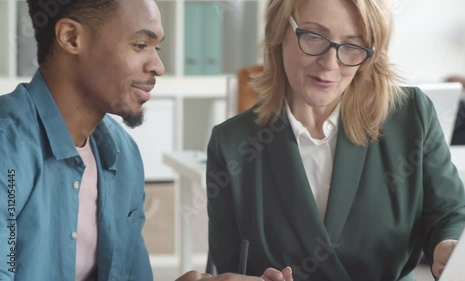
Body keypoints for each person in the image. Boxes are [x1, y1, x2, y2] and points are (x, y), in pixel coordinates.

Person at [0, 0, 291, 280]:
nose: (158, 67)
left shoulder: (122, 155)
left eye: (157, 47)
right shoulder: (8, 150)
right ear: (72, 37)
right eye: (140, 45)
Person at [206, 0, 465, 280]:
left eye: (352, 45)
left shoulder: (411, 116)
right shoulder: (231, 144)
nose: (329, 63)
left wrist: (447, 246)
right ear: (279, 32)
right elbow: (229, 267)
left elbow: (448, 213)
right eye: (313, 36)